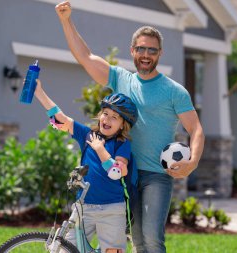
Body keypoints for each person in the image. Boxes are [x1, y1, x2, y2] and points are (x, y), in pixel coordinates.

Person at [55, 2, 205, 253]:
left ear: (160, 53)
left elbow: (196, 129)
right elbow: (85, 56)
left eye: (152, 50)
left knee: (152, 237)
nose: (146, 54)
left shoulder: (174, 91)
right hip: (126, 175)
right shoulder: (120, 79)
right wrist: (66, 20)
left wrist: (193, 163)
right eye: (141, 48)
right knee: (137, 240)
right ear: (132, 50)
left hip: (158, 175)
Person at [34, 79, 138, 253]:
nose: (107, 119)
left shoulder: (122, 143)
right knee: (65, 249)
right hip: (84, 207)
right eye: (105, 113)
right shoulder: (87, 135)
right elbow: (61, 119)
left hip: (111, 209)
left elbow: (117, 172)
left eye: (115, 117)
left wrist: (99, 149)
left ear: (122, 125)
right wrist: (39, 92)